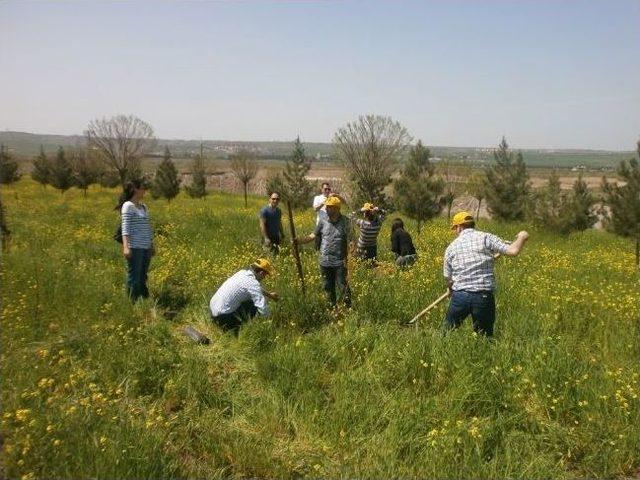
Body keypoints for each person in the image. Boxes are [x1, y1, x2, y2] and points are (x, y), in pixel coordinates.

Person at [443, 211, 529, 337]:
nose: (455, 232)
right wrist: (522, 236)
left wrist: (450, 288)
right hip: (483, 297)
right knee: (484, 337)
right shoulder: (486, 238)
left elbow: (448, 277)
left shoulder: (451, 247)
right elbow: (513, 250)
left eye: (455, 228)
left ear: (459, 227)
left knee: (447, 333)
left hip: (460, 296)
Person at [296, 196, 351, 307]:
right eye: (326, 207)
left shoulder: (346, 222)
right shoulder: (322, 221)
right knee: (327, 286)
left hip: (340, 262)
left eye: (329, 207)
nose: (326, 209)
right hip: (324, 261)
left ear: (336, 208)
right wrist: (300, 241)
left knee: (343, 286)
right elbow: (312, 236)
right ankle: (332, 308)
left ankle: (347, 309)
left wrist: (350, 258)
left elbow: (351, 241)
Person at [209, 258, 279, 334]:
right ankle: (237, 331)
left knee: (248, 299)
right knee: (253, 305)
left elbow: (256, 288)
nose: (264, 278)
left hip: (213, 313)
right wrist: (272, 323)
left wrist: (269, 295)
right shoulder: (253, 284)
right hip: (223, 319)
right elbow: (262, 307)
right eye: (265, 275)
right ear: (262, 273)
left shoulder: (242, 273)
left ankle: (222, 327)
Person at [117, 179, 155, 302]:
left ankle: (143, 299)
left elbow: (147, 227)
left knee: (143, 275)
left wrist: (151, 245)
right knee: (134, 276)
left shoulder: (144, 207)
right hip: (135, 247)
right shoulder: (128, 206)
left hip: (145, 247)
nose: (144, 191)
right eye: (142, 188)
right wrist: (126, 247)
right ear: (135, 190)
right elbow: (125, 227)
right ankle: (132, 302)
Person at [312, 182, 346, 250]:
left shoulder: (333, 198)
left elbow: (344, 203)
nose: (327, 190)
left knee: (329, 247)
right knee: (318, 247)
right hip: (320, 226)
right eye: (325, 189)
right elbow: (315, 209)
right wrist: (325, 201)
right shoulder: (318, 198)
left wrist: (336, 195)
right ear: (321, 189)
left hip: (331, 227)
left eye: (329, 189)